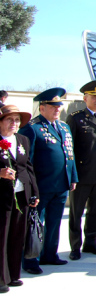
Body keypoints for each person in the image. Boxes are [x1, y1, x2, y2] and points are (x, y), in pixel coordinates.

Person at [20, 88, 78, 275]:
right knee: (36, 224)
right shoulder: (32, 128)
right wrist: (31, 186)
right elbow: (26, 160)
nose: (57, 109)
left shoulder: (64, 127)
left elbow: (70, 154)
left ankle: (49, 254)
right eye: (53, 106)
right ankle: (31, 259)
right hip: (41, 186)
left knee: (54, 223)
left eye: (59, 106)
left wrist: (73, 177)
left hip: (61, 185)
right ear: (42, 107)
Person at [66, 81, 96, 260]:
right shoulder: (76, 118)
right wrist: (72, 174)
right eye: (94, 96)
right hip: (82, 174)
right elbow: (69, 148)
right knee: (76, 212)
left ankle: (91, 242)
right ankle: (75, 246)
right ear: (85, 98)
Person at [0, 105, 39, 290]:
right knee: (2, 237)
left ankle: (14, 275)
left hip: (21, 195)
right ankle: (1, 278)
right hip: (2, 196)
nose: (14, 123)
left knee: (17, 236)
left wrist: (34, 193)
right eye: (10, 119)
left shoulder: (22, 139)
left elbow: (28, 167)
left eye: (17, 120)